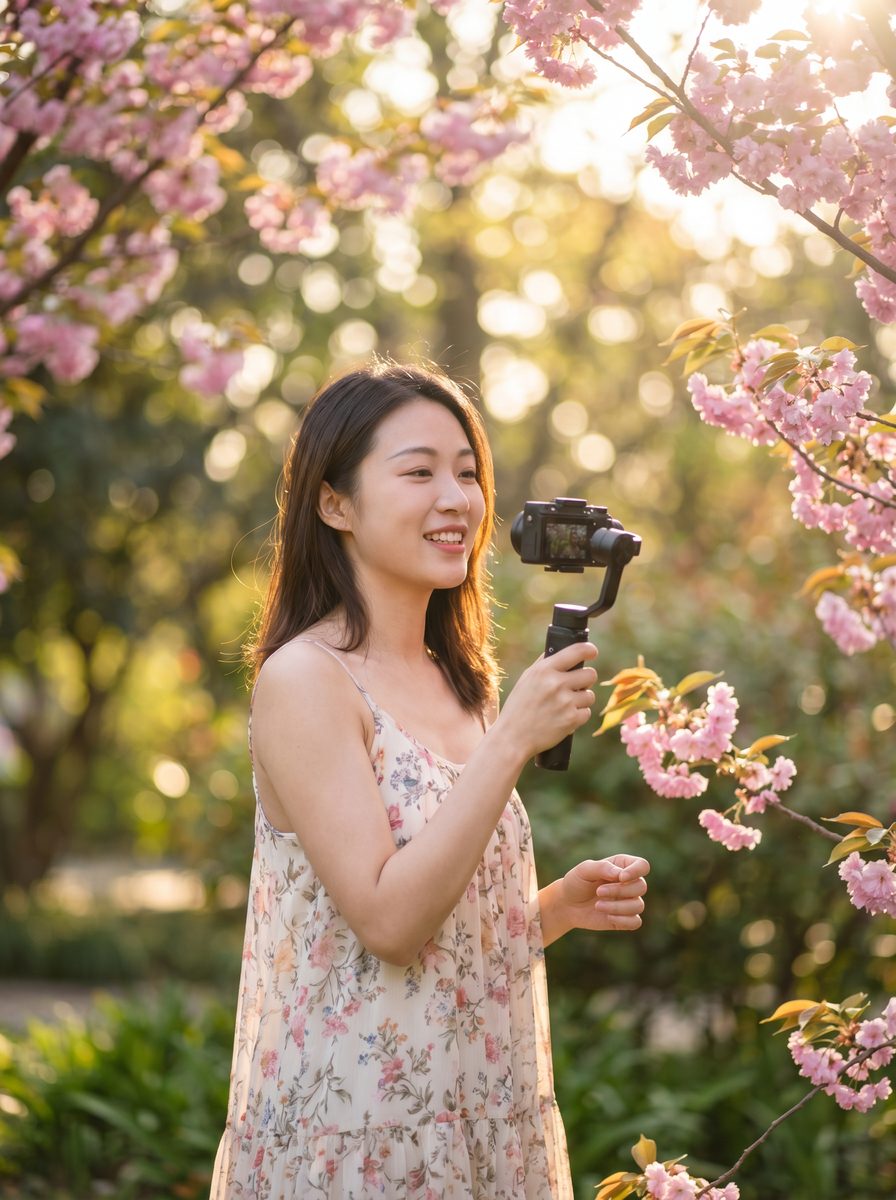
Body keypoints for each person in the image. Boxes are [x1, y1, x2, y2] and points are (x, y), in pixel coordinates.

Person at [210, 360, 650, 1200]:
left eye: (468, 472)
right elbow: (387, 923)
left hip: (480, 1113)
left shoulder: (461, 681)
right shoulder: (306, 681)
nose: (457, 499)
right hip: (363, 1136)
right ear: (334, 503)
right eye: (418, 472)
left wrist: (552, 910)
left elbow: (441, 941)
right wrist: (514, 739)